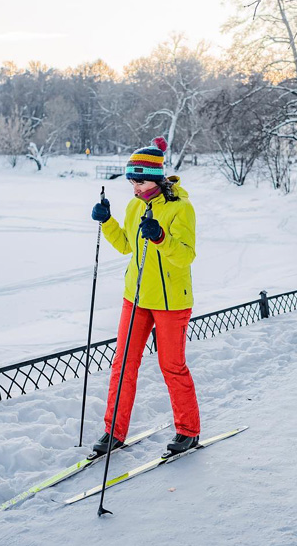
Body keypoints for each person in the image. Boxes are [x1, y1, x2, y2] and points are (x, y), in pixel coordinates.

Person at [89, 136, 200, 455]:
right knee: (122, 364)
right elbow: (126, 244)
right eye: (131, 183)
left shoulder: (182, 208)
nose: (134, 188)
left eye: (138, 182)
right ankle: (114, 431)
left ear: (154, 179)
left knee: (172, 366)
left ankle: (188, 430)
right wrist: (107, 221)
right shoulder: (135, 205)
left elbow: (185, 256)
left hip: (171, 302)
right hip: (135, 297)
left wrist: (162, 237)